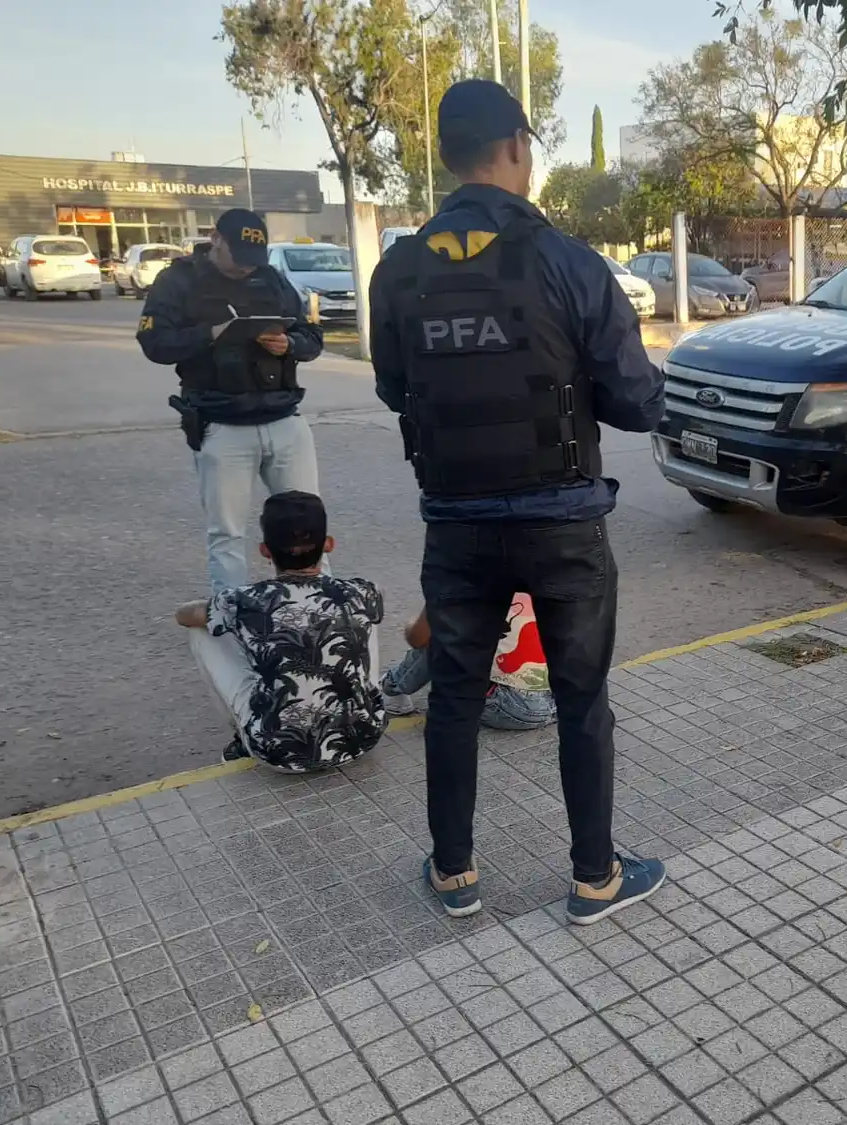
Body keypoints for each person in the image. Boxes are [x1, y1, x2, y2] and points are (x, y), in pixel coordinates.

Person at [371, 78, 666, 924]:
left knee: (456, 695)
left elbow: (397, 390)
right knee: (580, 697)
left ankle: (456, 874)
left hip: (457, 523)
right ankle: (594, 877)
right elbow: (637, 401)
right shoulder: (569, 262)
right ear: (515, 146)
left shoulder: (398, 270)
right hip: (564, 520)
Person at [137, 208, 325, 595]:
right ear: (215, 238)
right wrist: (212, 334)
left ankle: (314, 610)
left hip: (283, 418)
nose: (245, 269)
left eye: (252, 262)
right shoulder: (178, 281)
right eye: (238, 259)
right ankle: (232, 618)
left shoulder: (271, 278)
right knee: (227, 531)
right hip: (220, 423)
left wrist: (290, 343)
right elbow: (154, 344)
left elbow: (312, 337)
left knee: (308, 522)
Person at [175, 492, 387, 770]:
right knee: (358, 618)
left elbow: (183, 616)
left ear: (264, 550)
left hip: (279, 755)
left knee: (202, 628)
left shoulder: (244, 600)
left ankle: (243, 735)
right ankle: (355, 711)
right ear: (328, 545)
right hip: (362, 740)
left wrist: (221, 612)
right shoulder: (361, 591)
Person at [381, 595, 558, 729]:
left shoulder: (468, 574)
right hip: (558, 702)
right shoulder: (555, 572)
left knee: (441, 635)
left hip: (510, 707)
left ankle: (393, 688)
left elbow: (418, 638)